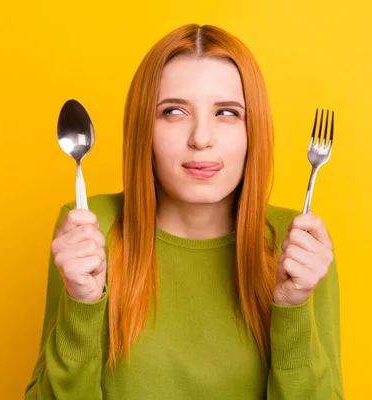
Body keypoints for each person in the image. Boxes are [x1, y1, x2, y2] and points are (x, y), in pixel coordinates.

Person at [25, 23, 344, 399]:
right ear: (144, 128)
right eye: (174, 111)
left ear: (253, 129)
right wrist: (82, 304)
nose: (201, 138)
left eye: (227, 113)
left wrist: (294, 308)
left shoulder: (298, 243)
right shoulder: (89, 228)